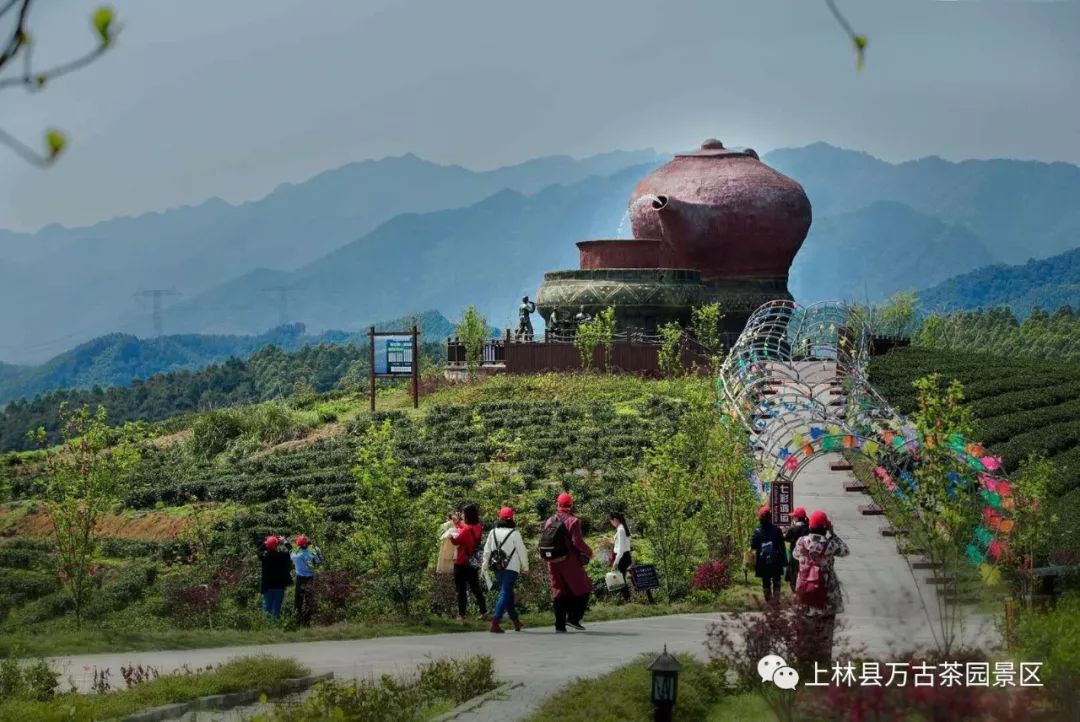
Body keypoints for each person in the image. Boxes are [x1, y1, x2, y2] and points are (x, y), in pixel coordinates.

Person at [793, 509, 850, 665]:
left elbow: (795, 555)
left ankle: (804, 664)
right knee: (825, 634)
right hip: (827, 596)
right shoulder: (830, 544)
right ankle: (823, 667)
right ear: (825, 527)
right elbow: (845, 551)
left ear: (810, 526)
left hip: (805, 594)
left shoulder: (802, 542)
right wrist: (832, 534)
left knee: (805, 631)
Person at [540, 493, 593, 632]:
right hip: (568, 561)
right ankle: (574, 618)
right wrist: (589, 552)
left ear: (557, 504)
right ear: (571, 505)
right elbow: (577, 542)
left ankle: (560, 626)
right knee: (584, 588)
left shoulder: (549, 520)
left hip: (552, 561)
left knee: (559, 592)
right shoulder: (573, 521)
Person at [482, 506, 530, 633]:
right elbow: (522, 552)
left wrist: (484, 566)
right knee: (505, 592)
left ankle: (516, 621)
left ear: (500, 518)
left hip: (497, 567)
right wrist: (525, 567)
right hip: (512, 567)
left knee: (508, 593)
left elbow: (487, 551)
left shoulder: (492, 532)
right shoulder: (515, 533)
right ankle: (495, 622)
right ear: (512, 518)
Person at [449, 504, 487, 621]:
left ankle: (461, 614)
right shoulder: (478, 527)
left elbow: (456, 541)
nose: (462, 515)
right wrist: (458, 523)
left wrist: (450, 535)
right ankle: (483, 611)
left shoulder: (465, 530)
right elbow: (467, 529)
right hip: (473, 561)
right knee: (475, 587)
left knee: (461, 589)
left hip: (462, 562)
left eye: (463, 514)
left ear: (468, 515)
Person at [750, 506, 786, 602]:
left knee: (766, 582)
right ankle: (776, 600)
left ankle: (769, 601)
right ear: (770, 517)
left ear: (760, 518)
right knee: (776, 580)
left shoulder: (757, 532)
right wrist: (784, 561)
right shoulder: (777, 530)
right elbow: (781, 546)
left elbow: (753, 546)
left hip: (763, 560)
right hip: (775, 559)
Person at [290, 534, 322, 626]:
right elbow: (318, 561)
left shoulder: (295, 555)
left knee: (298, 601)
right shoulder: (312, 553)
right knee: (309, 600)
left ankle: (297, 621)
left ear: (298, 545)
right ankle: (307, 622)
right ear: (307, 544)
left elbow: (291, 550)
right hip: (310, 579)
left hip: (300, 579)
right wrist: (316, 549)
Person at [258, 535, 293, 619]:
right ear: (276, 545)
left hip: (267, 585)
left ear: (267, 546)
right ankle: (275, 624)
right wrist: (284, 541)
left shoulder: (264, 556)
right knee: (276, 607)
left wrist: (266, 542)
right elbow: (291, 550)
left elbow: (259, 550)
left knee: (266, 606)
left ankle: (265, 624)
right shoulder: (282, 556)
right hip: (279, 585)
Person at [784, 507, 810, 593]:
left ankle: (796, 593)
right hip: (806, 556)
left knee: (794, 575)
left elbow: (786, 538)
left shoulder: (793, 528)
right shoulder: (807, 528)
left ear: (797, 518)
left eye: (794, 516)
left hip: (794, 555)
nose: (793, 517)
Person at [609, 512, 633, 602]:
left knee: (620, 579)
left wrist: (616, 561)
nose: (612, 523)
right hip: (625, 555)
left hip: (622, 557)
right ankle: (626, 599)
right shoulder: (623, 528)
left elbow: (621, 549)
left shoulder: (620, 530)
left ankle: (627, 600)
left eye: (611, 521)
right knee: (622, 578)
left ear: (615, 519)